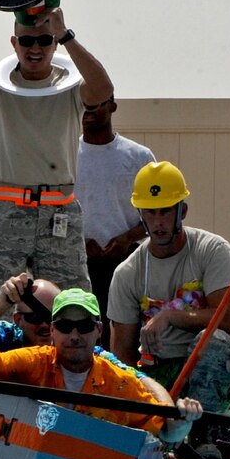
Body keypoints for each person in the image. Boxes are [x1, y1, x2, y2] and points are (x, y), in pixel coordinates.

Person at [0, 0, 114, 303]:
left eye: (45, 40)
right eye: (26, 41)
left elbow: (103, 90)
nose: (35, 49)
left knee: (72, 307)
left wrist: (68, 37)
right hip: (5, 213)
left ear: (54, 43)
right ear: (14, 43)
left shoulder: (71, 87)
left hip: (58, 215)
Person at [104, 161, 230, 459]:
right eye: (150, 212)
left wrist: (167, 316)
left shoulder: (212, 250)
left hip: (207, 370)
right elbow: (123, 355)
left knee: (215, 341)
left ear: (183, 211)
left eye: (166, 210)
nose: (158, 221)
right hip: (156, 373)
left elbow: (226, 321)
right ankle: (156, 441)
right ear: (140, 215)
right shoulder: (127, 273)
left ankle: (203, 436)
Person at [0, 288, 203, 442]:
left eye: (84, 327)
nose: (74, 335)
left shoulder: (119, 383)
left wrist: (183, 420)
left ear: (98, 331)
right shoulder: (33, 358)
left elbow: (169, 432)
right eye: (65, 327)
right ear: (53, 331)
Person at [77, 98, 156, 343]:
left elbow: (156, 213)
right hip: (78, 265)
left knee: (125, 337)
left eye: (95, 104)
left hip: (128, 262)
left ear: (112, 106)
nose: (88, 110)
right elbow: (48, 212)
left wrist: (127, 238)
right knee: (83, 334)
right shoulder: (62, 155)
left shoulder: (139, 156)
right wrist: (78, 241)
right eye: (83, 104)